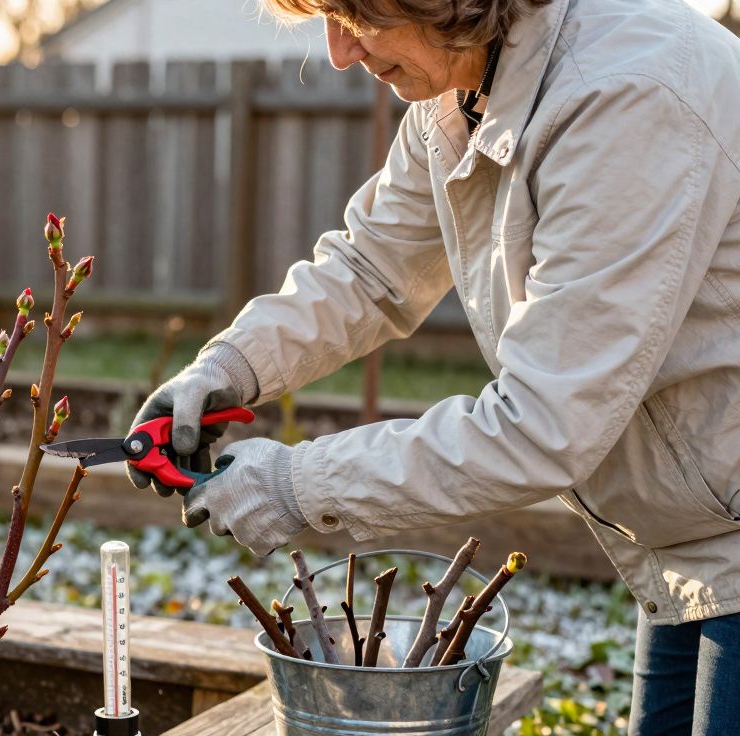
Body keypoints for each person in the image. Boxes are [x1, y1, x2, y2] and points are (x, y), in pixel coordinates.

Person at [127, 0, 740, 732]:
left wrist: (295, 486)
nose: (337, 54)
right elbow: (370, 269)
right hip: (691, 544)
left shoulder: (624, 97)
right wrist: (227, 368)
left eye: (353, 16)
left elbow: (541, 426)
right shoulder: (467, 88)